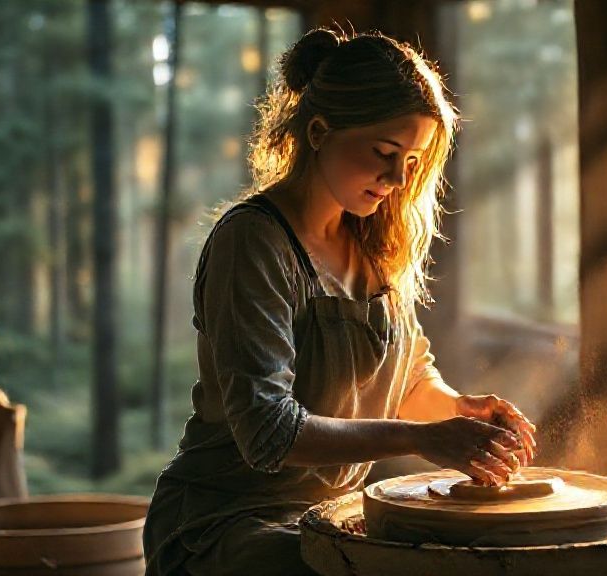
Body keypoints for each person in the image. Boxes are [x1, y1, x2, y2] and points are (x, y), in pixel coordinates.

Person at [143, 28, 537, 575]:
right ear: (320, 131)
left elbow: (408, 378)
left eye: (414, 161)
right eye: (384, 152)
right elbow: (269, 433)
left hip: (327, 518)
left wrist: (458, 411)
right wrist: (428, 440)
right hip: (227, 524)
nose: (398, 178)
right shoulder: (253, 242)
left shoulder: (376, 242)